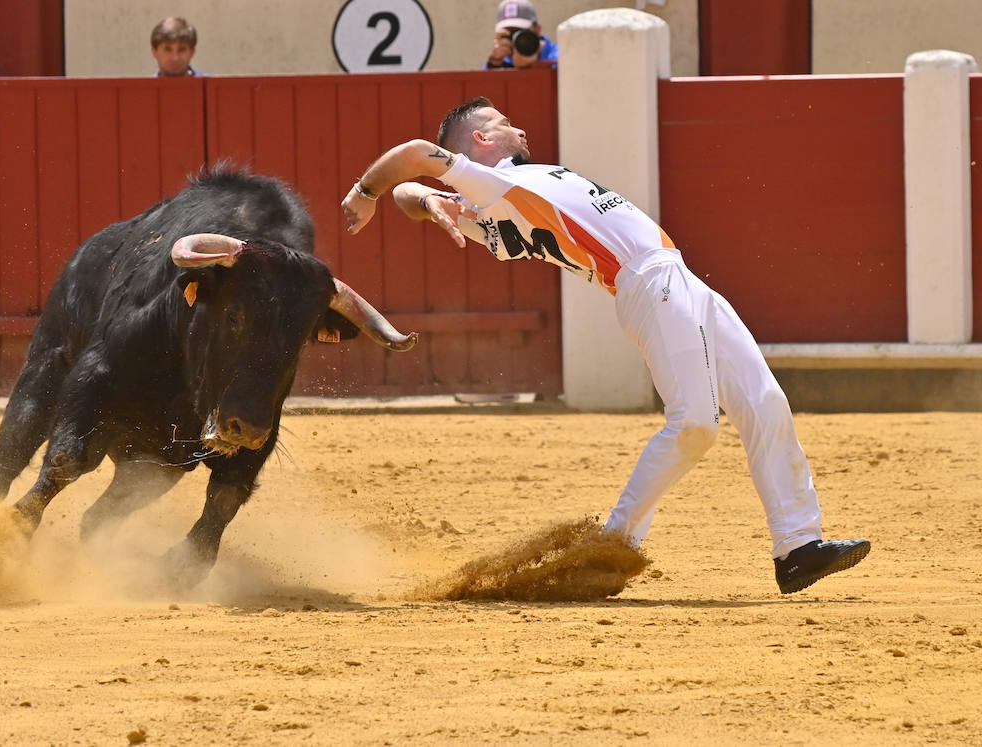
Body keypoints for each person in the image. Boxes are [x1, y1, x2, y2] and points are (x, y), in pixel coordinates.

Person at [339, 97, 871, 595]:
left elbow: (412, 190)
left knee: (764, 402)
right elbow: (412, 155)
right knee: (694, 424)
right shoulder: (492, 186)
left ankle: (798, 546)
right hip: (648, 280)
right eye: (504, 122)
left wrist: (425, 196)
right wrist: (367, 193)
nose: (519, 127)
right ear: (479, 139)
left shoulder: (488, 202)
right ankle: (612, 546)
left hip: (675, 278)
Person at [484, 0, 557, 70]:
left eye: (520, 31)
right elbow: (483, 81)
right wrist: (495, 62)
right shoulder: (502, 59)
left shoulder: (560, 57)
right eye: (509, 34)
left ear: (537, 30)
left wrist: (531, 67)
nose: (516, 38)